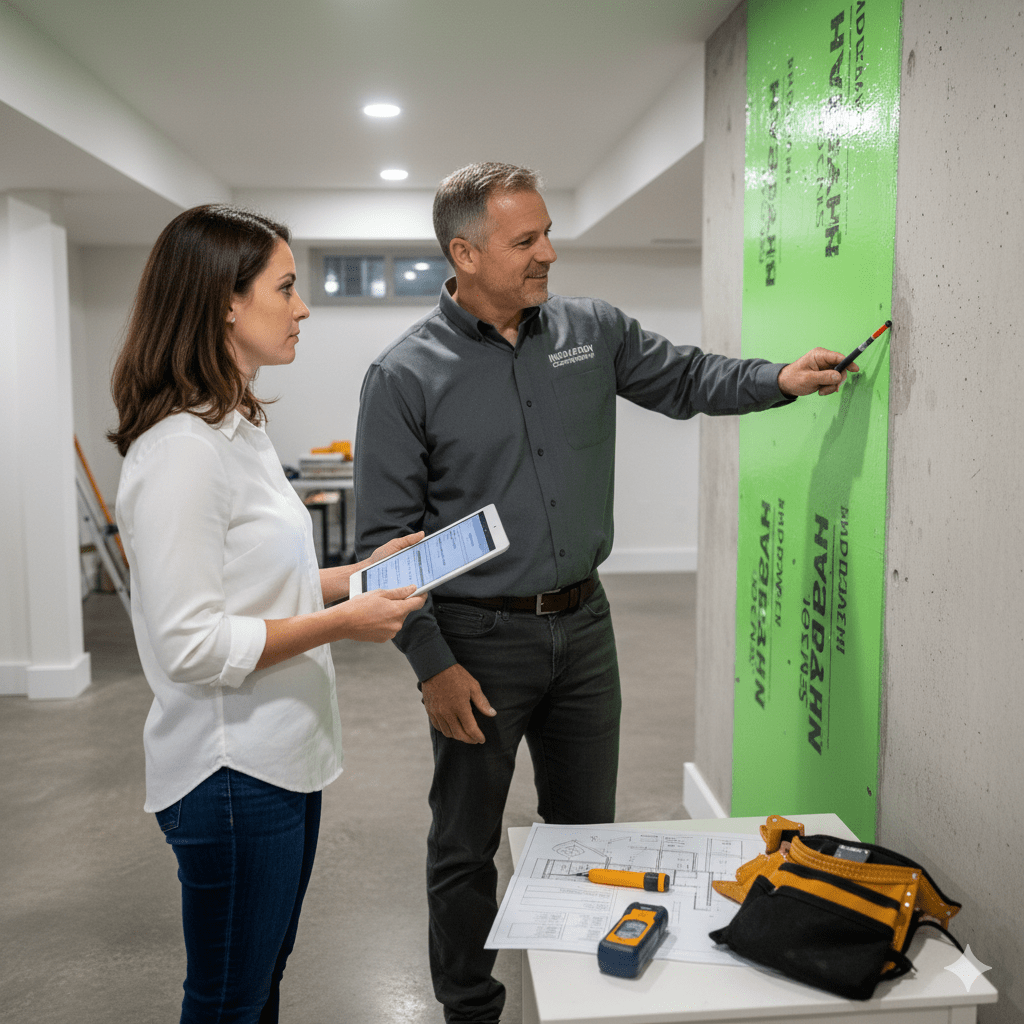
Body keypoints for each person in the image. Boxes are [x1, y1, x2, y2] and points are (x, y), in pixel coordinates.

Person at [353, 163, 857, 1023]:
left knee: (590, 837)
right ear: (464, 253)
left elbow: (689, 378)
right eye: (526, 240)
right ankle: (471, 1006)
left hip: (585, 628)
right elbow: (382, 548)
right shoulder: (404, 375)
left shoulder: (592, 332)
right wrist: (432, 665)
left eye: (548, 232)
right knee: (464, 844)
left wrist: (780, 378)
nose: (549, 251)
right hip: (478, 639)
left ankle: (579, 993)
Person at [108, 204, 426, 1024]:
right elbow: (190, 644)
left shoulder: (235, 427)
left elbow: (259, 581)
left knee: (259, 986)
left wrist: (355, 577)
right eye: (286, 287)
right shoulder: (180, 451)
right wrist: (345, 623)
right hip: (230, 776)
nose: (304, 306)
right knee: (227, 1000)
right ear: (225, 302)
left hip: (280, 761)